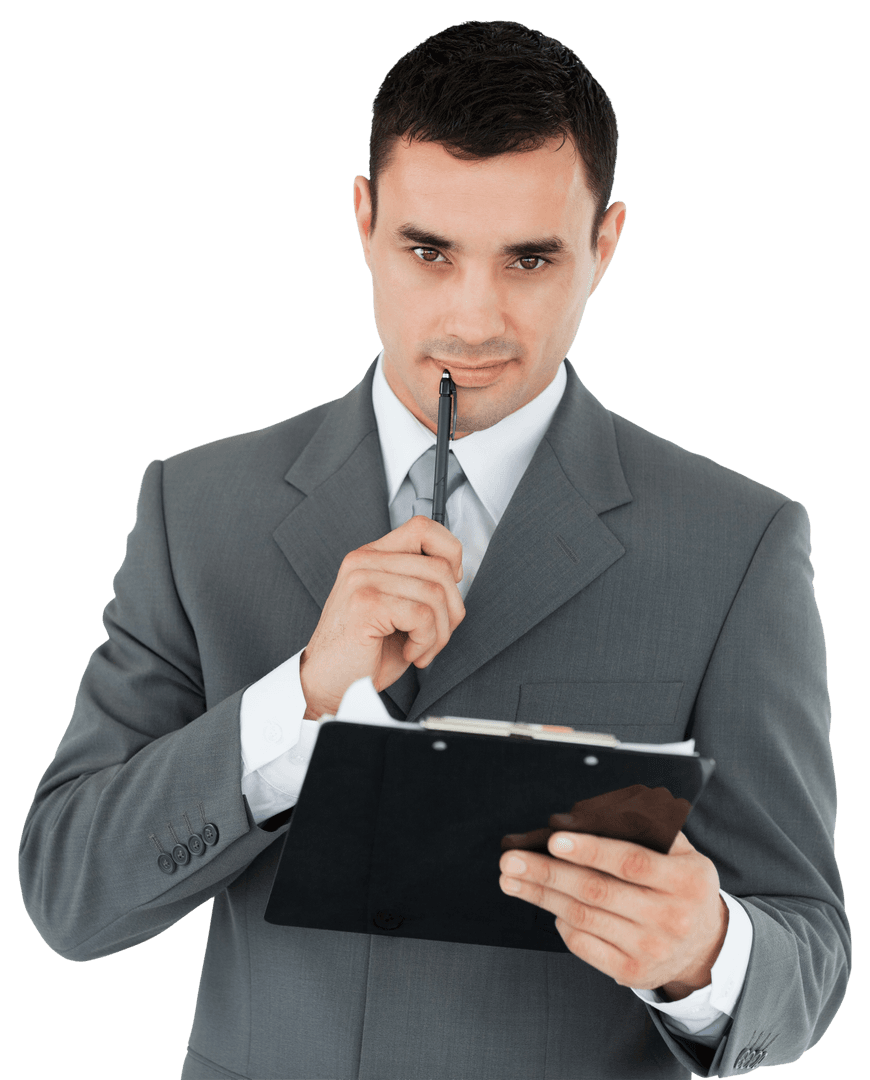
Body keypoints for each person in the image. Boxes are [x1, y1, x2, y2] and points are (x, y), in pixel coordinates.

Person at [19, 19, 849, 1080]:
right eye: (427, 250)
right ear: (363, 221)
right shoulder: (196, 508)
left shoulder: (739, 543)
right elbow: (68, 899)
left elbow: (810, 951)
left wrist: (708, 955)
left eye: (531, 258)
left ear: (605, 245)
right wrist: (306, 696)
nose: (474, 316)